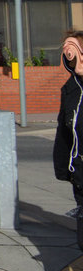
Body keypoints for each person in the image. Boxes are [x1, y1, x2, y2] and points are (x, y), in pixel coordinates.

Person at [53, 31, 83, 249]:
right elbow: (63, 131)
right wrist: (64, 168)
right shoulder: (70, 88)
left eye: (72, 48)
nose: (68, 53)